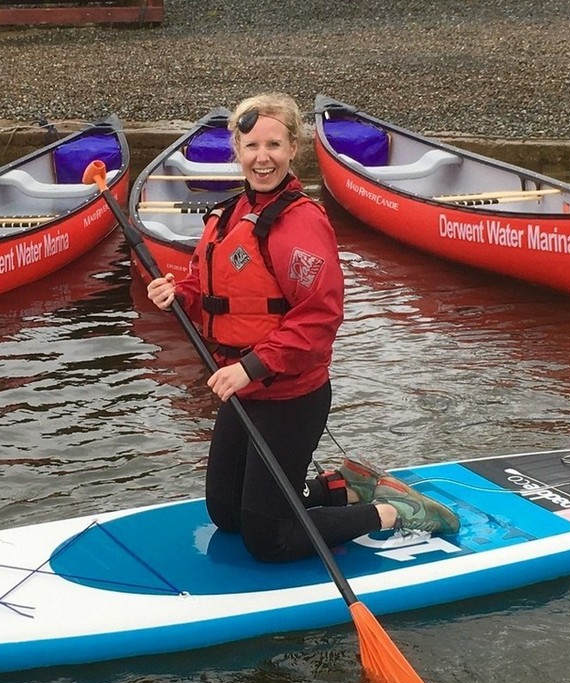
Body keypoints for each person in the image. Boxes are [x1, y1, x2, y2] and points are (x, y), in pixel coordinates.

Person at [146, 92, 459, 563]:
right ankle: (342, 487)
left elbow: (319, 317)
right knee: (226, 513)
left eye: (273, 145)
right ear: (237, 150)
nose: (262, 157)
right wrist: (179, 293)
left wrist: (251, 367)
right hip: (246, 389)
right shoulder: (229, 214)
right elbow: (204, 284)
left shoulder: (301, 226)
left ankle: (392, 510)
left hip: (290, 396)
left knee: (267, 540)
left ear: (293, 148)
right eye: (251, 146)